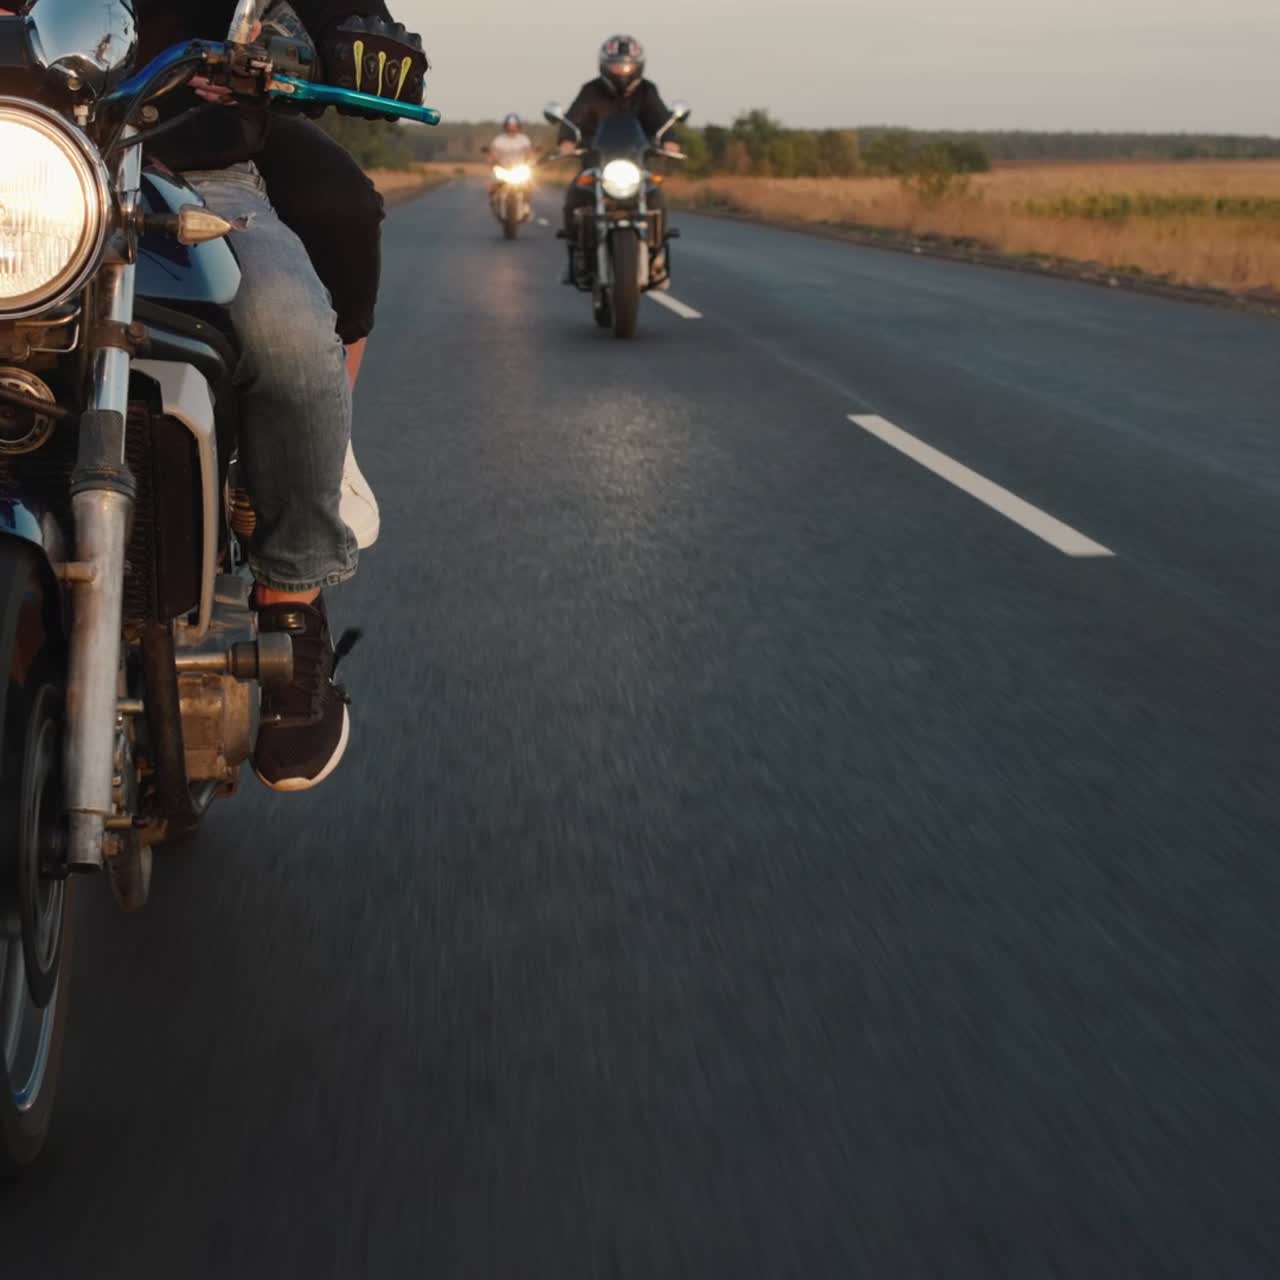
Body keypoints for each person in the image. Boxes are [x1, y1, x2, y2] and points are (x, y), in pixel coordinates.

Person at [131, 0, 427, 790]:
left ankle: (290, 598)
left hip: (192, 168)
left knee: (289, 330)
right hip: (30, 147)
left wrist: (357, 26)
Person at [557, 35, 680, 280]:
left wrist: (670, 140)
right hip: (597, 161)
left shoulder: (647, 91)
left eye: (627, 66)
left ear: (638, 66)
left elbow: (661, 119)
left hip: (636, 162)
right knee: (575, 194)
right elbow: (574, 117)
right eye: (616, 66)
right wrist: (567, 141)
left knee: (655, 197)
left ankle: (656, 255)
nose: (622, 71)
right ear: (604, 65)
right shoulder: (591, 90)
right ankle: (577, 251)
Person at [483, 113, 536, 219]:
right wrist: (491, 160)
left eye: (514, 125)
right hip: (503, 169)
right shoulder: (499, 140)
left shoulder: (524, 139)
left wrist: (532, 161)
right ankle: (494, 203)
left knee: (529, 185)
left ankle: (526, 206)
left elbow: (530, 153)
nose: (512, 128)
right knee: (492, 186)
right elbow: (492, 154)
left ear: (518, 126)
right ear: (505, 126)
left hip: (519, 169)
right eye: (510, 125)